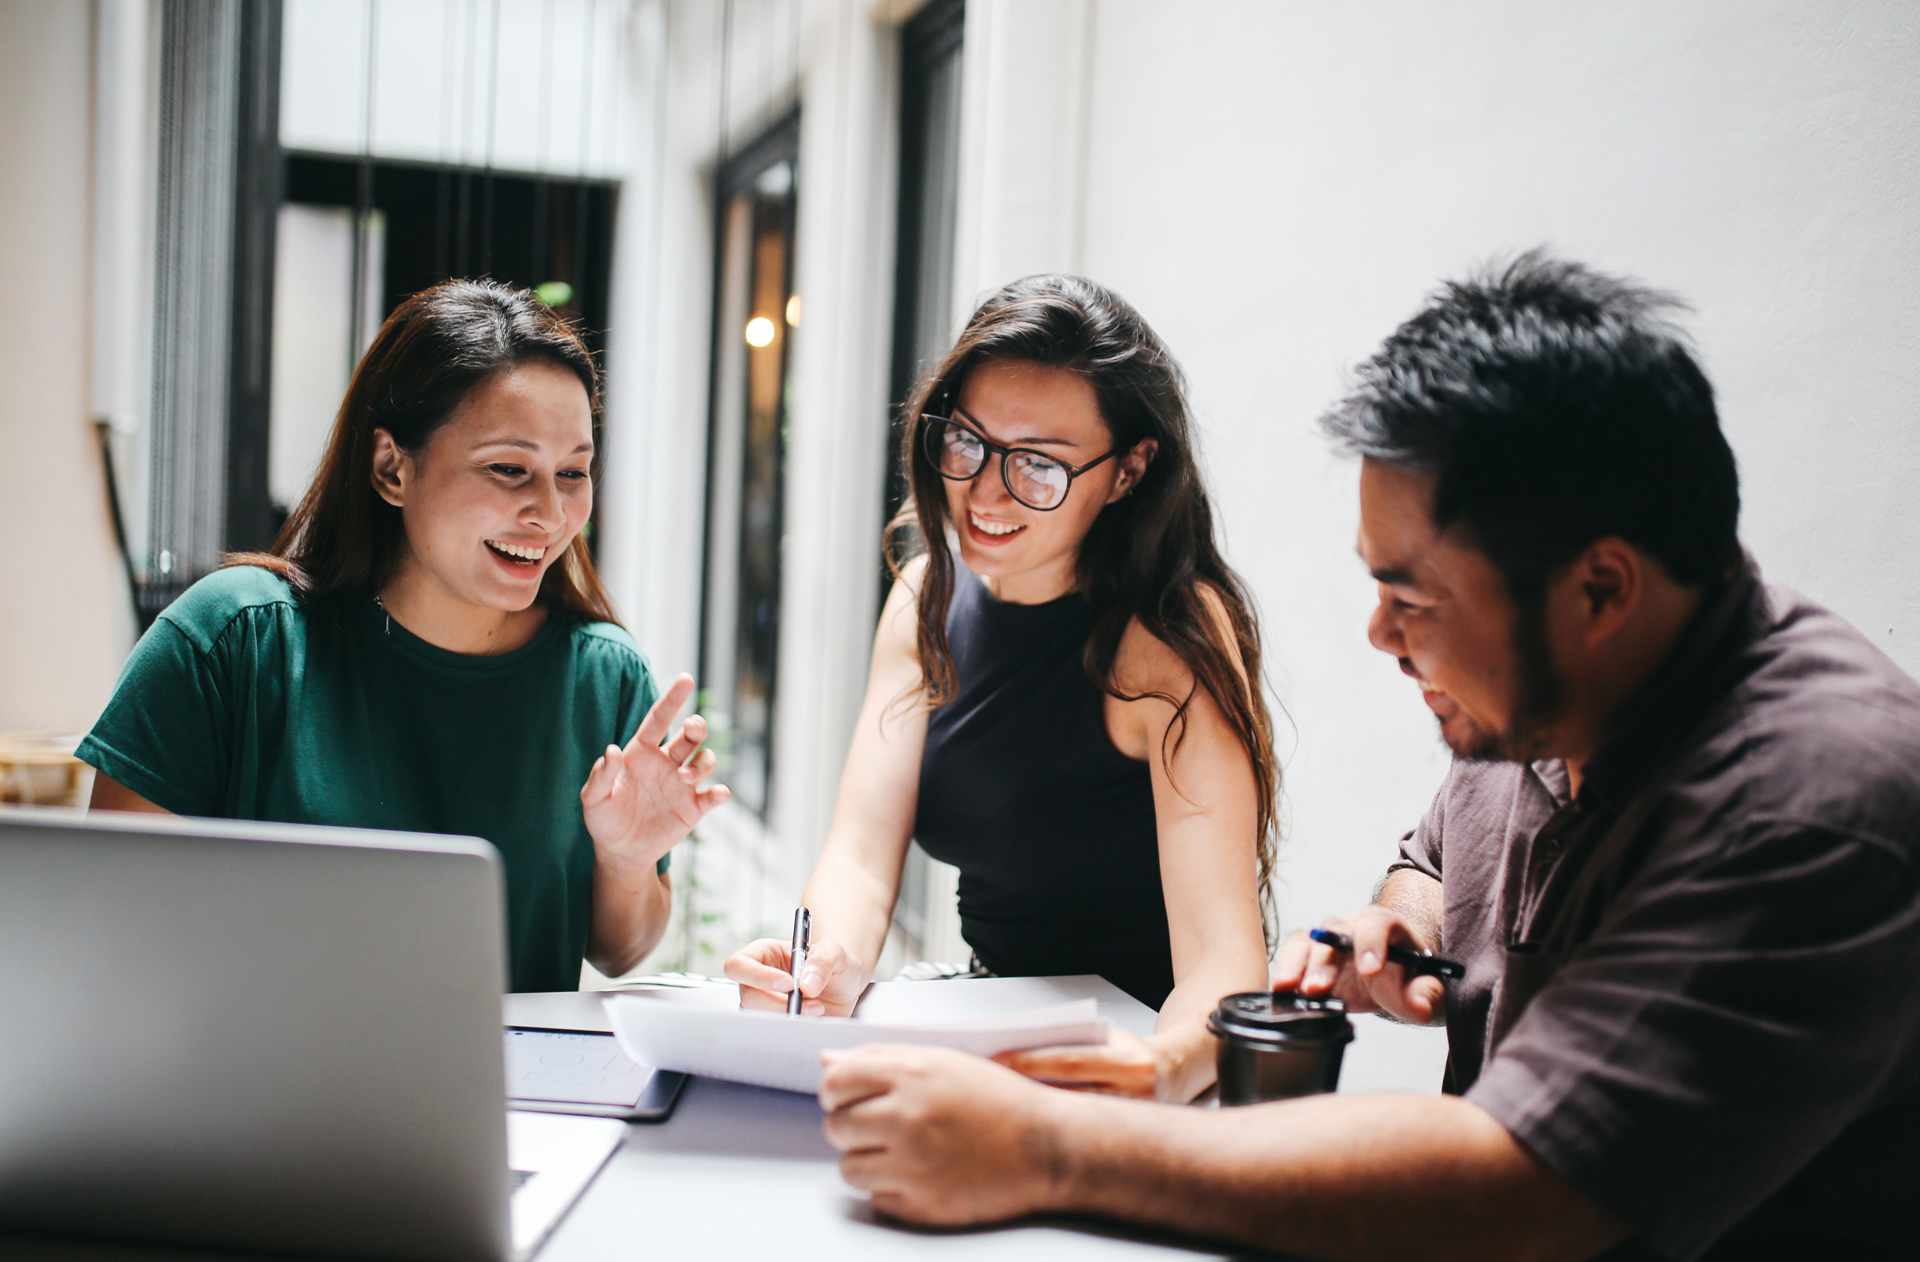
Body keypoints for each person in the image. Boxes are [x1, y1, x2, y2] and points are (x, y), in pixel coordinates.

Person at [814, 253, 1920, 1261]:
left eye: (1413, 597)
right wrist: (1405, 924)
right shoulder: (1548, 699)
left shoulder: (1812, 805)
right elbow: (1436, 861)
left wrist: (1054, 1147)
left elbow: (1525, 1185)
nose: (1379, 635)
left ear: (1600, 588)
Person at [81, 280, 728, 992]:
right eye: (509, 469)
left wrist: (629, 859)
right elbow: (107, 929)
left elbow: (619, 953)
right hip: (247, 1094)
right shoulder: (232, 641)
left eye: (572, 473)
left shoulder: (603, 679)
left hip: (512, 1101)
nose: (549, 514)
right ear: (392, 466)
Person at [726, 275, 1278, 1101]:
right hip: (997, 1033)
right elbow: (860, 857)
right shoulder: (926, 597)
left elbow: (1224, 958)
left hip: (1155, 1054)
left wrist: (1148, 1076)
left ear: (1128, 471)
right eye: (968, 444)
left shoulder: (1169, 637)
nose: (985, 493)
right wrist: (826, 960)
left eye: (1039, 468)